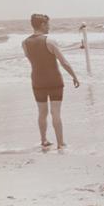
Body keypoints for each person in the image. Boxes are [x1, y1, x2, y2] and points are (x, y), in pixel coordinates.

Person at [21, 14, 80, 149]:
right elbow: (64, 62)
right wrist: (74, 76)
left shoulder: (24, 43)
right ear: (42, 24)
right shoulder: (50, 41)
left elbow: (31, 59)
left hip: (37, 80)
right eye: (47, 24)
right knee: (56, 112)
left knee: (42, 112)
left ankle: (44, 140)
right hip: (54, 81)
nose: (49, 27)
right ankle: (60, 143)